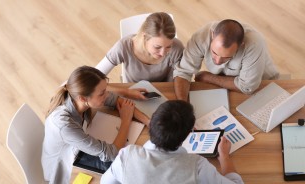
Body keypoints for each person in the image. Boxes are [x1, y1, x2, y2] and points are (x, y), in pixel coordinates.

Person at [41, 66, 150, 184]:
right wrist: (126, 120)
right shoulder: (64, 125)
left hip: (78, 143)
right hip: (67, 166)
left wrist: (148, 121)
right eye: (102, 93)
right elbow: (112, 153)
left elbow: (119, 101)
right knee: (131, 170)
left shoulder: (76, 91)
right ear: (83, 98)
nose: (107, 95)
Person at [101, 100, 244, 184]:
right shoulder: (197, 165)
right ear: (189, 133)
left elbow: (105, 182)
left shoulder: (126, 155)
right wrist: (224, 156)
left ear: (152, 123)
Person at [174, 19, 279, 101]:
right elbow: (183, 72)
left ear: (241, 45)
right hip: (229, 82)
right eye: (214, 53)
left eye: (226, 57)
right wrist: (182, 104)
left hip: (263, 83)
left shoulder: (254, 44)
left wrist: (209, 77)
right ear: (212, 35)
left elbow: (247, 87)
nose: (218, 61)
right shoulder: (200, 37)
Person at [96, 12, 184, 82]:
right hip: (132, 93)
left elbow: (184, 76)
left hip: (165, 93)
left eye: (168, 46)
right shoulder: (124, 47)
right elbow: (94, 75)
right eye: (157, 47)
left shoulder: (177, 48)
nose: (163, 53)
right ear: (144, 37)